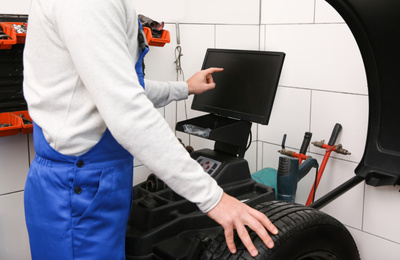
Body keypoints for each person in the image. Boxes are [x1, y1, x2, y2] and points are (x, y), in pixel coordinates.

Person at [23, 0, 278, 259]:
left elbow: (116, 88)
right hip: (77, 188)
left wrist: (185, 88)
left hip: (87, 182)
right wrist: (215, 199)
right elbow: (127, 110)